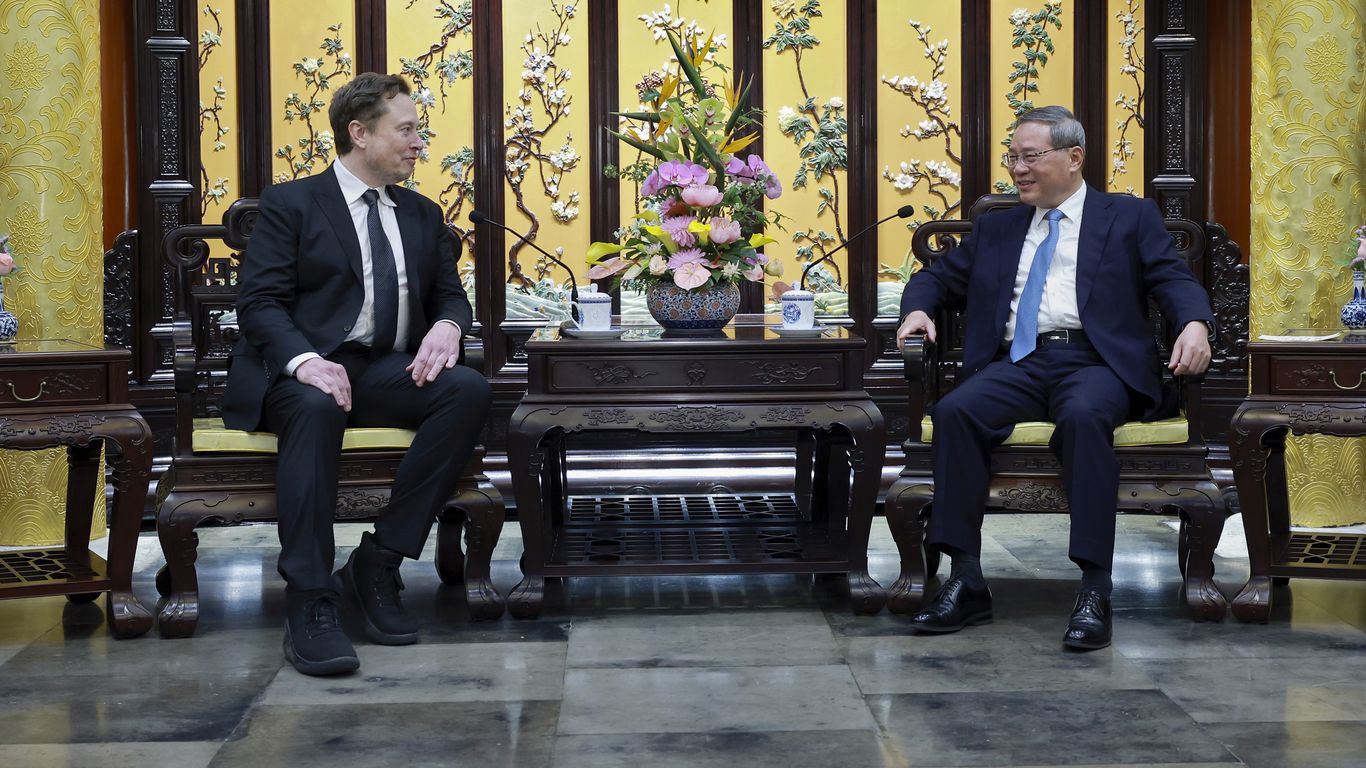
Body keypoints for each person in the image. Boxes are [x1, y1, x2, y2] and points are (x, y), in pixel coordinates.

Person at [895, 105, 1213, 650]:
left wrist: (1195, 324)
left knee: (1085, 417)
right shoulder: (998, 227)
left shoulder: (1128, 216)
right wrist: (918, 310)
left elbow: (1173, 279)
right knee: (955, 412)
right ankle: (966, 579)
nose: (1017, 169)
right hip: (1017, 363)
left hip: (1095, 362)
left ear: (1073, 157)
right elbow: (937, 278)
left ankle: (1094, 587)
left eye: (1030, 157)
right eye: (1012, 157)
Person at [223, 73, 492, 675]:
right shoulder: (291, 204)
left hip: (382, 371)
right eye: (407, 130)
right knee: (317, 406)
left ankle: (379, 560)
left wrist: (450, 327)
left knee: (467, 389)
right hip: (301, 373)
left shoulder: (422, 213)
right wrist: (306, 362)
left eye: (419, 131)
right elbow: (259, 304)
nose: (419, 143)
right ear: (360, 133)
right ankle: (310, 599)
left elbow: (451, 297)